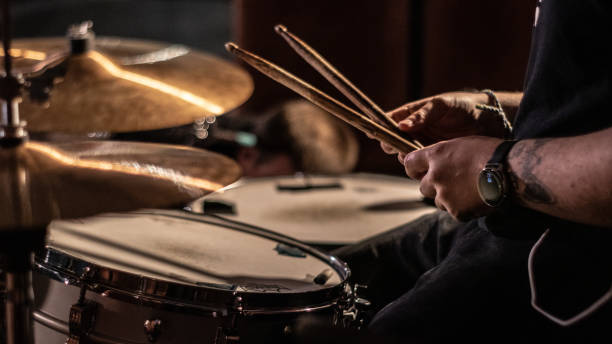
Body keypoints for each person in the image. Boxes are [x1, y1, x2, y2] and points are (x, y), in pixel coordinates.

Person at [333, 1, 612, 343]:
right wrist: (493, 113)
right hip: (516, 217)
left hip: (576, 260)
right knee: (326, 278)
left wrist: (495, 168)